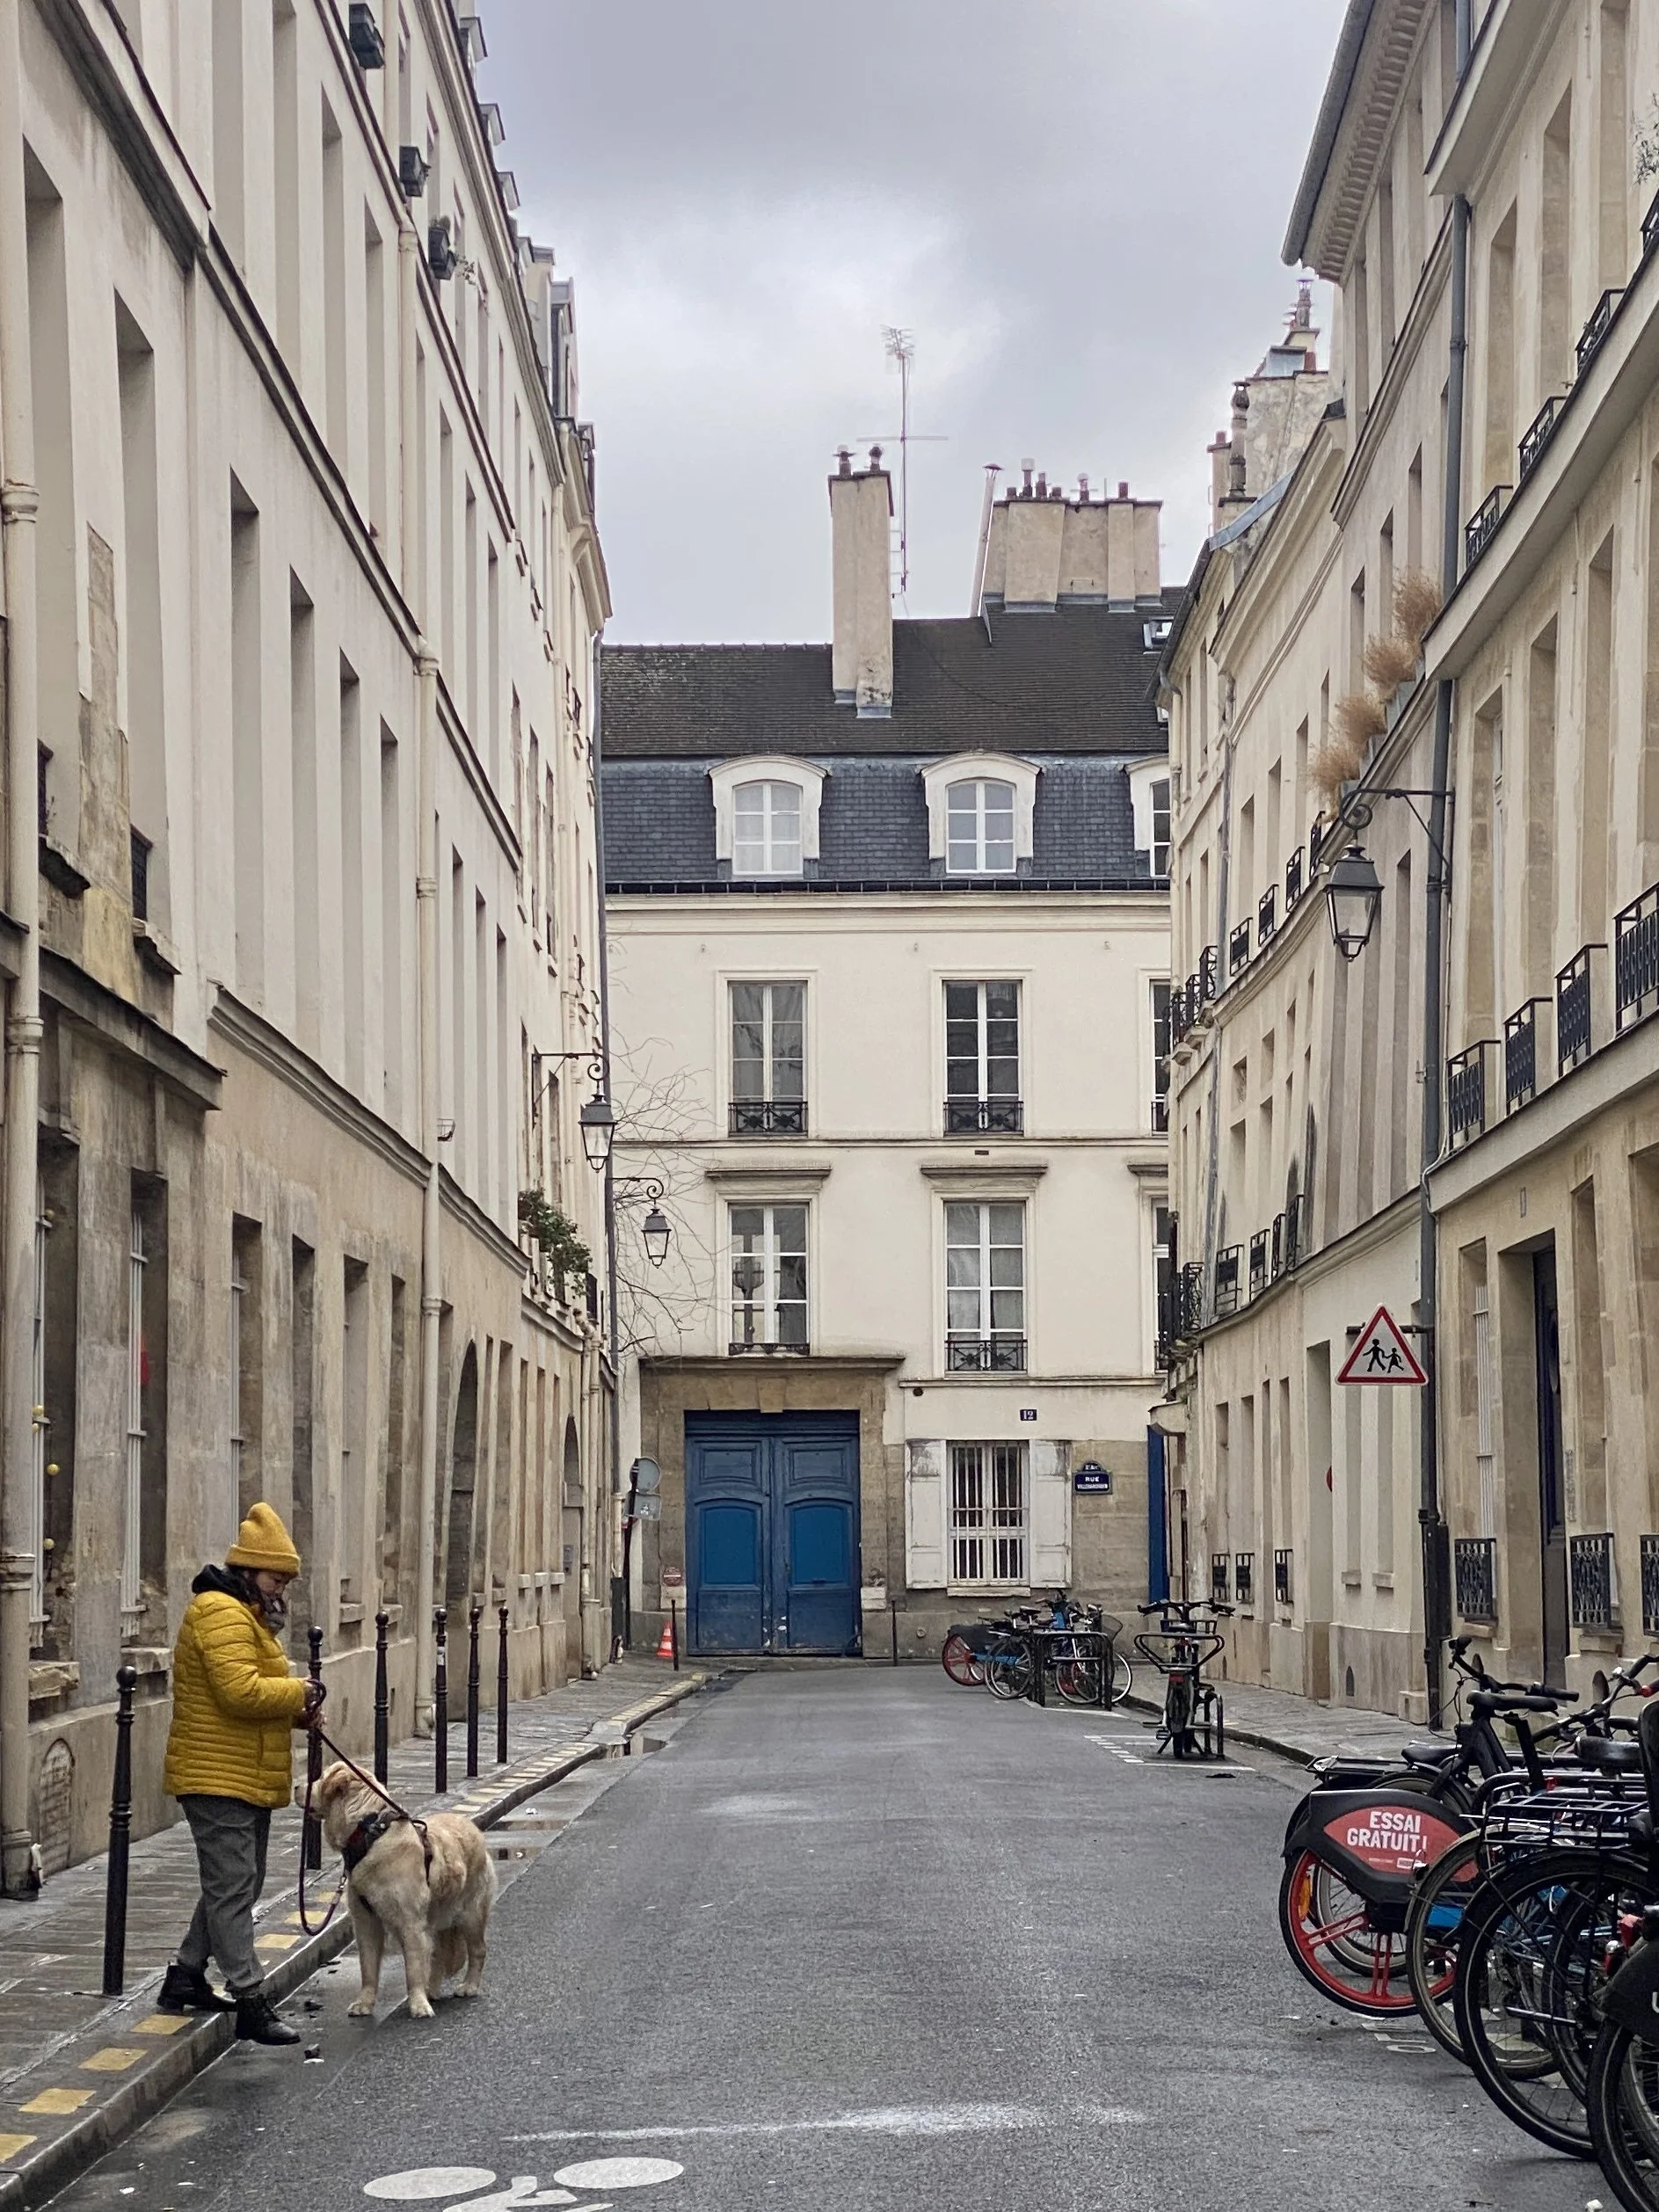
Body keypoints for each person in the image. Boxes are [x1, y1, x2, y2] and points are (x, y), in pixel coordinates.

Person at [158, 1503, 324, 2045]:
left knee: (238, 1882)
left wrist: (296, 1713)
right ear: (249, 1571)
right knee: (233, 1886)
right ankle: (251, 2000)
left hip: (240, 1770)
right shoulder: (221, 1613)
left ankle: (185, 1976)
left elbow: (249, 1694)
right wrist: (297, 1691)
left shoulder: (243, 1615)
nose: (283, 1590)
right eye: (277, 1577)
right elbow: (240, 1691)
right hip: (216, 1774)